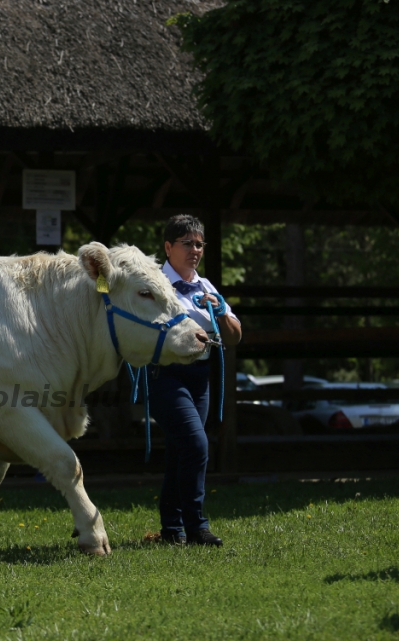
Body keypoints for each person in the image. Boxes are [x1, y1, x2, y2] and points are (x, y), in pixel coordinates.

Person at [149, 214, 242, 547]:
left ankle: (171, 530)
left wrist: (219, 313)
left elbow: (234, 336)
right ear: (168, 247)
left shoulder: (207, 287)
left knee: (181, 452)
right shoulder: (153, 285)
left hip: (199, 377)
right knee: (196, 445)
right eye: (187, 243)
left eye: (200, 244)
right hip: (165, 375)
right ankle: (197, 528)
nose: (195, 250)